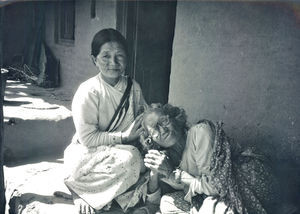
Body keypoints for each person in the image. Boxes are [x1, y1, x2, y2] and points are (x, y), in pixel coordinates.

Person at [63, 28, 147, 214]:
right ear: (94, 60)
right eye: (106, 56)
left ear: (126, 58)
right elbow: (89, 140)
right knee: (131, 158)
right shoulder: (88, 91)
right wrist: (124, 137)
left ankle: (105, 193)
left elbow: (143, 118)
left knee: (150, 163)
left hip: (122, 152)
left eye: (119, 56)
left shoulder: (134, 87)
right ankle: (81, 191)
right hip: (88, 154)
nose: (113, 63)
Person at [142, 103, 279, 214]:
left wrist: (173, 174)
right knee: (167, 202)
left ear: (174, 118)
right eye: (154, 130)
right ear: (151, 141)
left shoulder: (199, 133)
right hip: (208, 194)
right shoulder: (165, 159)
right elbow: (153, 203)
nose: (162, 130)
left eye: (164, 121)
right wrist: (155, 173)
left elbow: (217, 186)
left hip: (240, 185)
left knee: (213, 207)